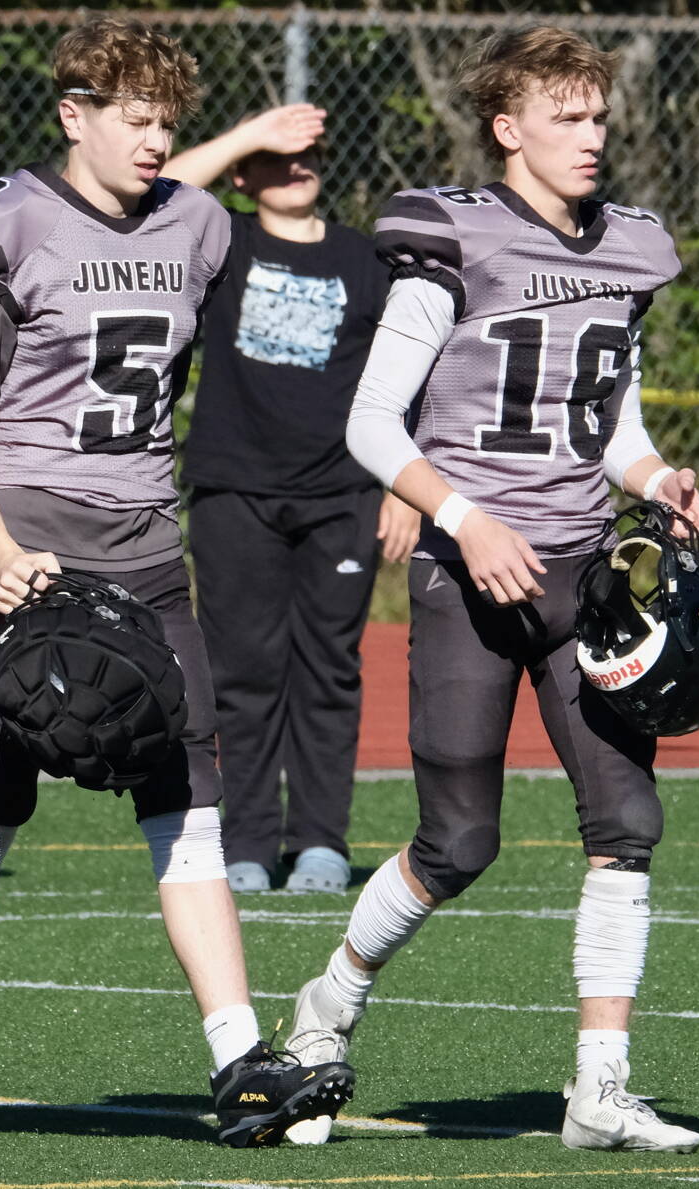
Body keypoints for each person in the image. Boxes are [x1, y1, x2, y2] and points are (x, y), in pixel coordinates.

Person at [0, 17, 354, 1148]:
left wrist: (201, 149)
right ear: (73, 114)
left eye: (167, 125)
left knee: (186, 798)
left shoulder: (196, 221)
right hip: (28, 552)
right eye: (133, 120)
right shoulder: (3, 222)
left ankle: (238, 1058)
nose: (156, 143)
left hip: (148, 553)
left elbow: (162, 203)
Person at [285, 25, 699, 1153]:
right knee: (455, 844)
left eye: (597, 116)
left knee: (624, 821)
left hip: (581, 573)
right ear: (505, 128)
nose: (590, 137)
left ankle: (599, 1087)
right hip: (467, 574)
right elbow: (371, 423)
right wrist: (462, 521)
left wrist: (655, 471)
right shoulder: (454, 239)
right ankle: (325, 1007)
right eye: (564, 117)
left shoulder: (627, 247)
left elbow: (603, 417)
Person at [161, 103, 417, 896]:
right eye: (277, 160)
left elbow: (407, 376)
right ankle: (245, 843)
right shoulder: (223, 242)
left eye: (307, 157)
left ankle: (319, 842)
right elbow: (160, 191)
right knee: (242, 670)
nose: (295, 168)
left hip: (342, 492)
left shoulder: (367, 258)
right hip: (235, 491)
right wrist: (249, 134)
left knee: (328, 668)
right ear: (245, 175)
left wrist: (407, 485)